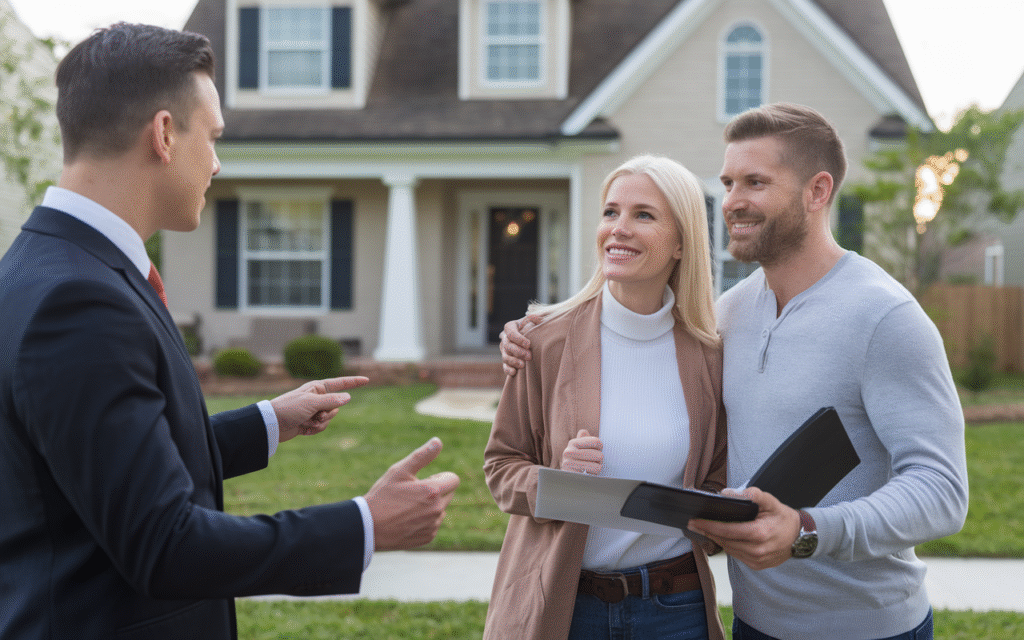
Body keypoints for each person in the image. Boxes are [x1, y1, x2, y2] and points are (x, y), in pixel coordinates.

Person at [0, 23, 459, 639]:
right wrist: (366, 524)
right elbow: (163, 543)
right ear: (164, 134)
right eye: (212, 137)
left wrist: (267, 422)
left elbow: (108, 464)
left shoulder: (44, 266)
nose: (217, 162)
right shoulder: (80, 301)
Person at [500, 103, 968, 640]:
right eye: (727, 182)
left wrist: (807, 530)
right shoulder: (727, 317)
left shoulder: (886, 318)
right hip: (754, 623)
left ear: (816, 192)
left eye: (756, 182)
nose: (732, 203)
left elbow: (942, 492)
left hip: (867, 629)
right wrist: (529, 334)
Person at [484, 155, 729, 640]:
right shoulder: (544, 341)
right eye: (611, 212)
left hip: (676, 609)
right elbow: (500, 467)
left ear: (681, 242)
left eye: (643, 215)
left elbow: (718, 480)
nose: (618, 229)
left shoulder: (710, 355)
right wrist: (556, 480)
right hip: (568, 606)